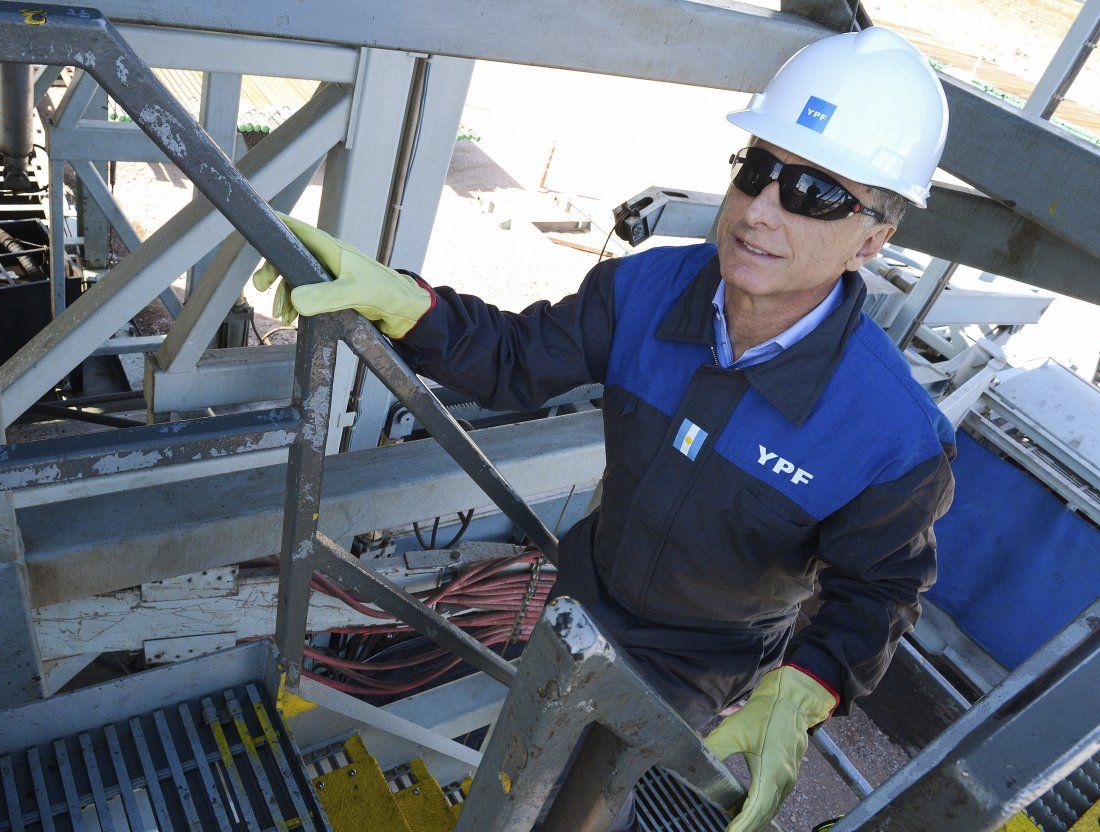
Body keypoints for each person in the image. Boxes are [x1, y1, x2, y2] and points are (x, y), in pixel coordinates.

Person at [254, 26, 955, 832]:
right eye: (757, 170)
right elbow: (515, 359)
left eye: (813, 194)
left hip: (698, 661)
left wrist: (810, 684)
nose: (760, 211)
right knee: (524, 751)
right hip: (582, 593)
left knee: (583, 803)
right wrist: (410, 305)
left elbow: (882, 589)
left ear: (872, 239)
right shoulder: (645, 290)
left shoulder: (892, 435)